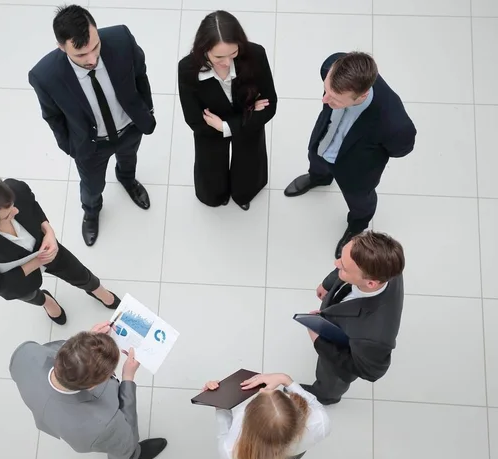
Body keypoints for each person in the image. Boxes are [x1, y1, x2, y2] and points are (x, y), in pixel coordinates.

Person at [29, 5, 156, 246]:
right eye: (80, 55)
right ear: (61, 47)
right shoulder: (44, 75)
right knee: (92, 185)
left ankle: (128, 180)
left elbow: (140, 74)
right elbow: (53, 116)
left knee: (129, 158)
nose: (92, 59)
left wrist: (145, 110)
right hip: (90, 144)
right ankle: (92, 210)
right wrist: (70, 147)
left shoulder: (121, 39)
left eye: (95, 47)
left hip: (129, 127)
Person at [284, 52, 416, 258]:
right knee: (316, 158)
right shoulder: (332, 64)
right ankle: (319, 178)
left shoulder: (394, 123)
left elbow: (401, 149)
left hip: (357, 168)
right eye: (326, 90)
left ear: (361, 96)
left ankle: (357, 225)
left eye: (334, 99)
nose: (324, 100)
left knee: (359, 200)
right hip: (324, 139)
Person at [0, 178, 120, 325]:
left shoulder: (15, 189)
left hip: (44, 246)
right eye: (7, 216)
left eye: (13, 205)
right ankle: (47, 302)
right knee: (31, 295)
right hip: (18, 277)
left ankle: (97, 290)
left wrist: (49, 232)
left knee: (78, 272)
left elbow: (33, 206)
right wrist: (37, 262)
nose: (16, 212)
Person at [9, 325, 167, 459]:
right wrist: (127, 378)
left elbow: (58, 350)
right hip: (87, 431)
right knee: (125, 448)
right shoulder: (103, 425)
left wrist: (84, 350)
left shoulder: (24, 354)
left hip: (47, 412)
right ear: (94, 384)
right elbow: (128, 432)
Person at [178, 10, 277, 211]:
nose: (227, 62)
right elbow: (194, 120)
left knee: (249, 163)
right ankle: (215, 195)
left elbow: (270, 106)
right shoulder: (187, 69)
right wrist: (248, 113)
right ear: (203, 49)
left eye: (233, 53)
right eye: (219, 57)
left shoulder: (256, 55)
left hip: (244, 127)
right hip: (212, 130)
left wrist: (225, 126)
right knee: (211, 167)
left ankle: (244, 193)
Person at [302, 231, 405, 405]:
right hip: (339, 319)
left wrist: (319, 341)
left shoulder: (375, 337)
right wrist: (328, 283)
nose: (336, 264)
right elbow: (349, 261)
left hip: (338, 363)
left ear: (371, 283)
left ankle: (325, 396)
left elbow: (370, 372)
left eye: (342, 267)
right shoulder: (381, 262)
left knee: (330, 381)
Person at [202, 372, 330, 459]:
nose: (262, 389)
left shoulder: (231, 451)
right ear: (293, 408)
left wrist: (218, 401)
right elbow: (313, 403)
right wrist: (284, 379)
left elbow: (224, 429)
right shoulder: (321, 422)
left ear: (247, 421)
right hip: (293, 455)